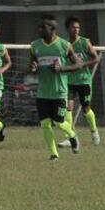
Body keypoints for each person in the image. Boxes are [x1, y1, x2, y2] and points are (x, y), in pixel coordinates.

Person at [28, 15, 83, 160]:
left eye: (43, 27)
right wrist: (33, 68)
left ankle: (72, 135)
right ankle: (54, 154)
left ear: (52, 29)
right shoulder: (35, 46)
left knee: (59, 123)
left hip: (59, 92)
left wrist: (62, 68)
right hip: (42, 93)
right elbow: (32, 64)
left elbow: (79, 64)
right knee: (45, 124)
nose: (39, 30)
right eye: (39, 27)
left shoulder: (64, 45)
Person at [64, 15, 102, 146]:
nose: (76, 30)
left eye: (78, 27)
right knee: (68, 108)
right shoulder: (65, 44)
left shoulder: (84, 42)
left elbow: (96, 58)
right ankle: (71, 137)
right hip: (69, 81)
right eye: (73, 27)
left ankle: (94, 131)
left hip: (84, 80)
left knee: (86, 108)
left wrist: (83, 64)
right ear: (68, 29)